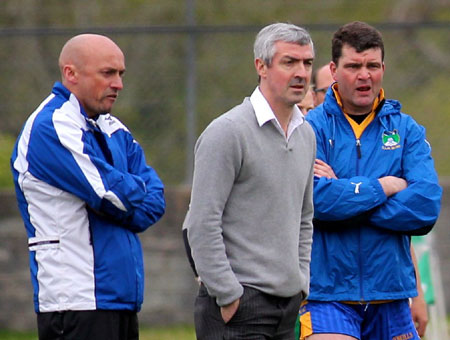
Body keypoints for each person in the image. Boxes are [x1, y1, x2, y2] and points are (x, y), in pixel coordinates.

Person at [11, 34, 165, 340]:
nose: (118, 83)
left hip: (120, 297)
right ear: (71, 74)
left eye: (120, 74)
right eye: (107, 73)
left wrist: (122, 194)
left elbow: (155, 201)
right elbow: (108, 193)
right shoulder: (52, 125)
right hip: (76, 302)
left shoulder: (112, 127)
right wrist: (127, 192)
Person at [299, 21, 442, 340]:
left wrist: (346, 193)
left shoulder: (407, 131)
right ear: (334, 70)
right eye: (354, 66)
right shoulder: (310, 128)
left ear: (383, 68)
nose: (364, 75)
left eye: (372, 66)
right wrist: (384, 187)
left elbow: (425, 206)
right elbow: (316, 200)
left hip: (392, 296)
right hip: (328, 296)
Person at [183, 23, 316, 340]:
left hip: (287, 309)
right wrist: (228, 295)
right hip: (238, 309)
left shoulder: (306, 135)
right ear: (261, 66)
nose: (301, 72)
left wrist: (301, 282)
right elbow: (201, 223)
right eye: (289, 62)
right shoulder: (227, 132)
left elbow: (304, 217)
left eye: (307, 63)